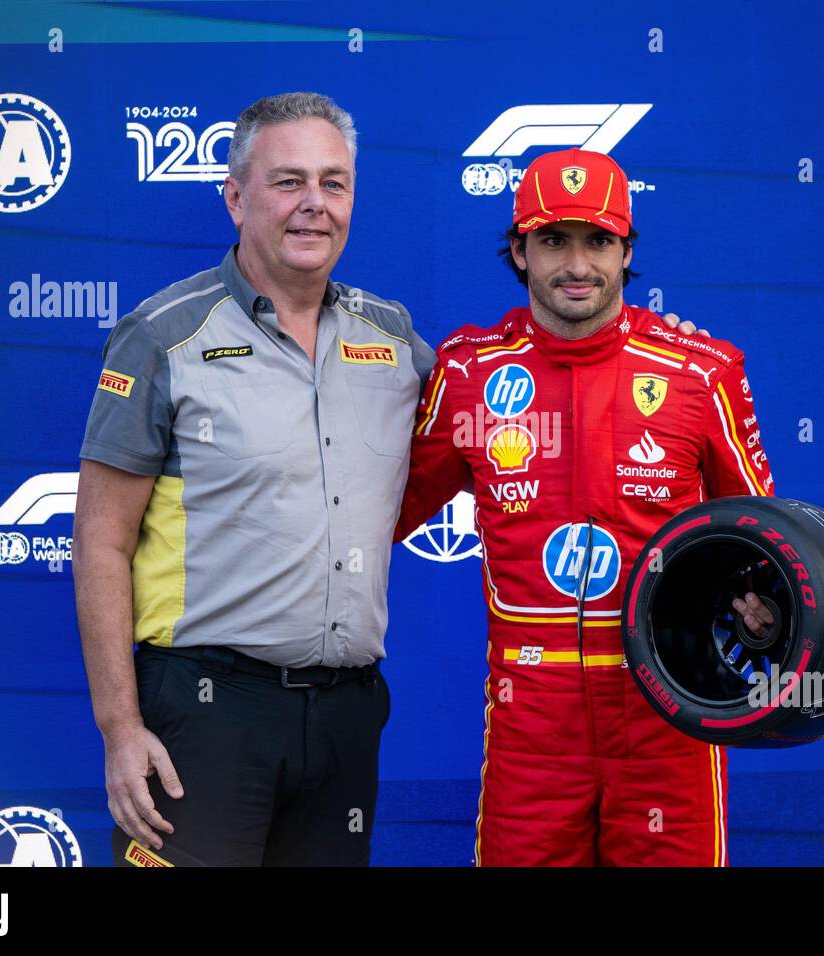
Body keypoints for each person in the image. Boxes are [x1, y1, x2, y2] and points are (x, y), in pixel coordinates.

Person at [73, 92, 434, 866]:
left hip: (345, 718)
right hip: (205, 714)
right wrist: (119, 728)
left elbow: (506, 418)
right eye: (288, 182)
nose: (314, 205)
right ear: (235, 198)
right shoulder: (164, 337)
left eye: (334, 184)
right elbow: (100, 543)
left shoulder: (396, 340)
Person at [396, 147, 777, 866]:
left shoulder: (702, 371)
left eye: (599, 241)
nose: (578, 264)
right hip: (532, 716)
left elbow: (765, 536)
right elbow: (380, 509)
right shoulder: (468, 372)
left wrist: (760, 607)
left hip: (668, 702)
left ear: (627, 250)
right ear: (518, 250)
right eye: (553, 240)